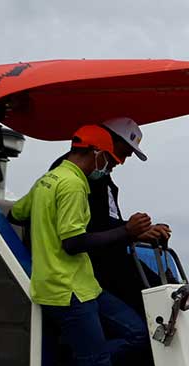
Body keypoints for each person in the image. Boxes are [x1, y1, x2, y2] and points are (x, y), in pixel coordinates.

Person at [10, 125, 158, 366]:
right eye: (108, 157)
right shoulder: (75, 184)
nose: (107, 165)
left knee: (136, 331)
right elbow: (73, 242)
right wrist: (127, 231)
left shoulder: (47, 181)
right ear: (96, 153)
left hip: (81, 284)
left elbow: (16, 214)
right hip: (68, 290)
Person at [49, 117, 171, 311]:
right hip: (90, 269)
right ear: (103, 144)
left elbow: (104, 221)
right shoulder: (74, 177)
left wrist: (139, 230)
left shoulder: (98, 173)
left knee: (165, 292)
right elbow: (80, 235)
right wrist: (130, 231)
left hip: (110, 259)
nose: (121, 162)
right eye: (122, 154)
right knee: (149, 316)